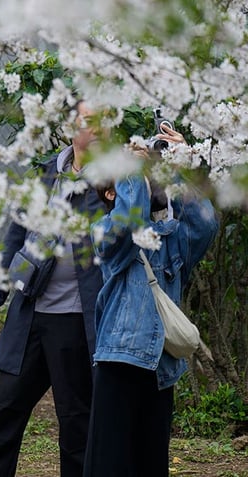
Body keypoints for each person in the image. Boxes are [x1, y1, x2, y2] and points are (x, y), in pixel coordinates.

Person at [0, 102, 107, 477]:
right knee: (1, 408)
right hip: (28, 312)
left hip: (78, 321)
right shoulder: (45, 175)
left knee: (77, 425)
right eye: (88, 121)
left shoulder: (111, 182)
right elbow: (15, 236)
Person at [83, 125, 218, 477]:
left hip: (161, 367)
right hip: (120, 360)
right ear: (112, 194)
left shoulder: (172, 239)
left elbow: (205, 224)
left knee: (150, 465)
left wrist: (176, 169)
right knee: (109, 465)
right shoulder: (104, 231)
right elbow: (130, 226)